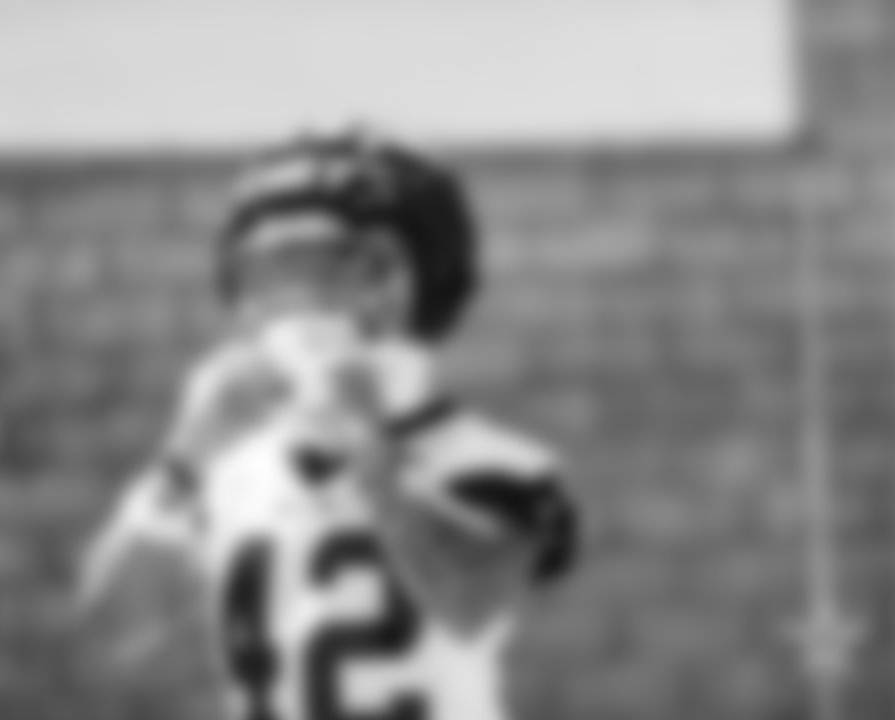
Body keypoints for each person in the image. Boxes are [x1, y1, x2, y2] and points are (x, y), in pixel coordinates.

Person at [76, 131, 579, 720]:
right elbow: (111, 630)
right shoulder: (231, 469)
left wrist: (371, 459)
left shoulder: (498, 463)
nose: (301, 301)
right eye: (272, 273)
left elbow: (471, 605)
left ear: (410, 285)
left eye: (339, 270)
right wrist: (184, 459)